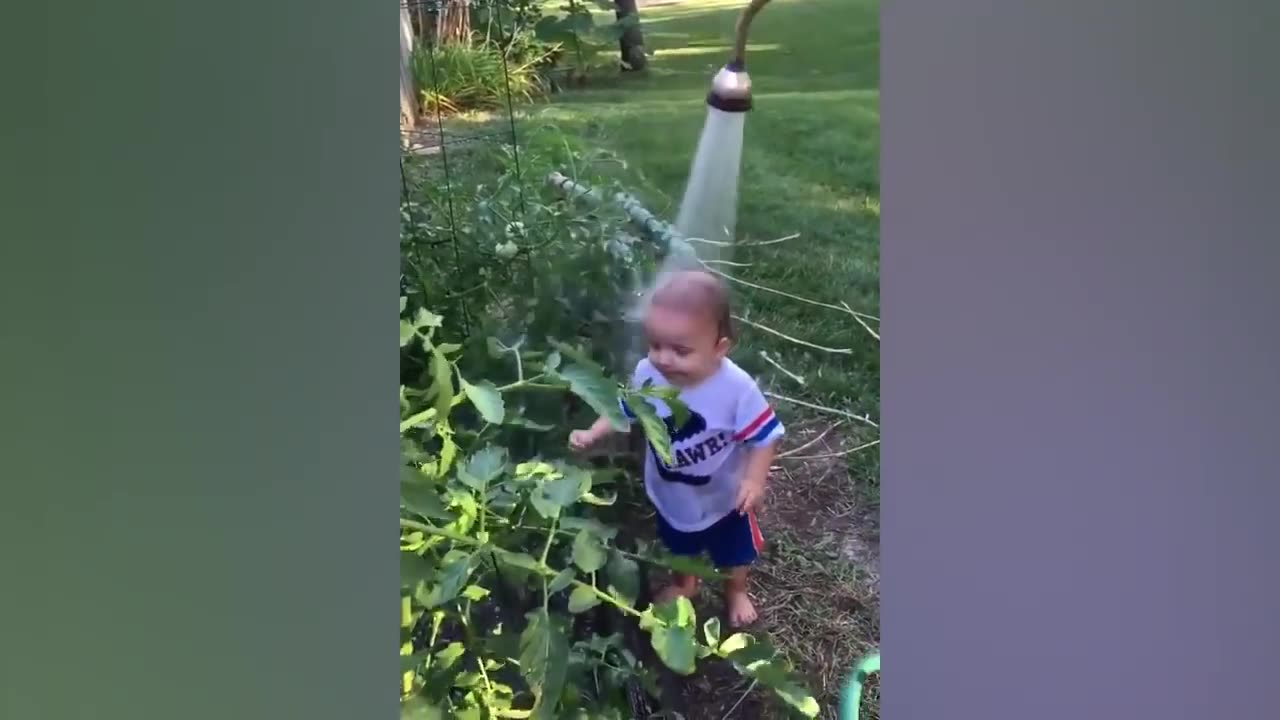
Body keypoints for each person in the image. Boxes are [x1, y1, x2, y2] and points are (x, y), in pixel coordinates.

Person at [569, 269, 783, 627]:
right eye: (655, 345)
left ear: (720, 347)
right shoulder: (648, 374)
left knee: (734, 554)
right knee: (679, 547)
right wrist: (593, 432)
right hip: (673, 495)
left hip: (726, 500)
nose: (664, 359)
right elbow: (624, 407)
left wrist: (754, 481)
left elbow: (765, 437)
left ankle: (736, 590)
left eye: (680, 350)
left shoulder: (736, 389)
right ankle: (687, 585)